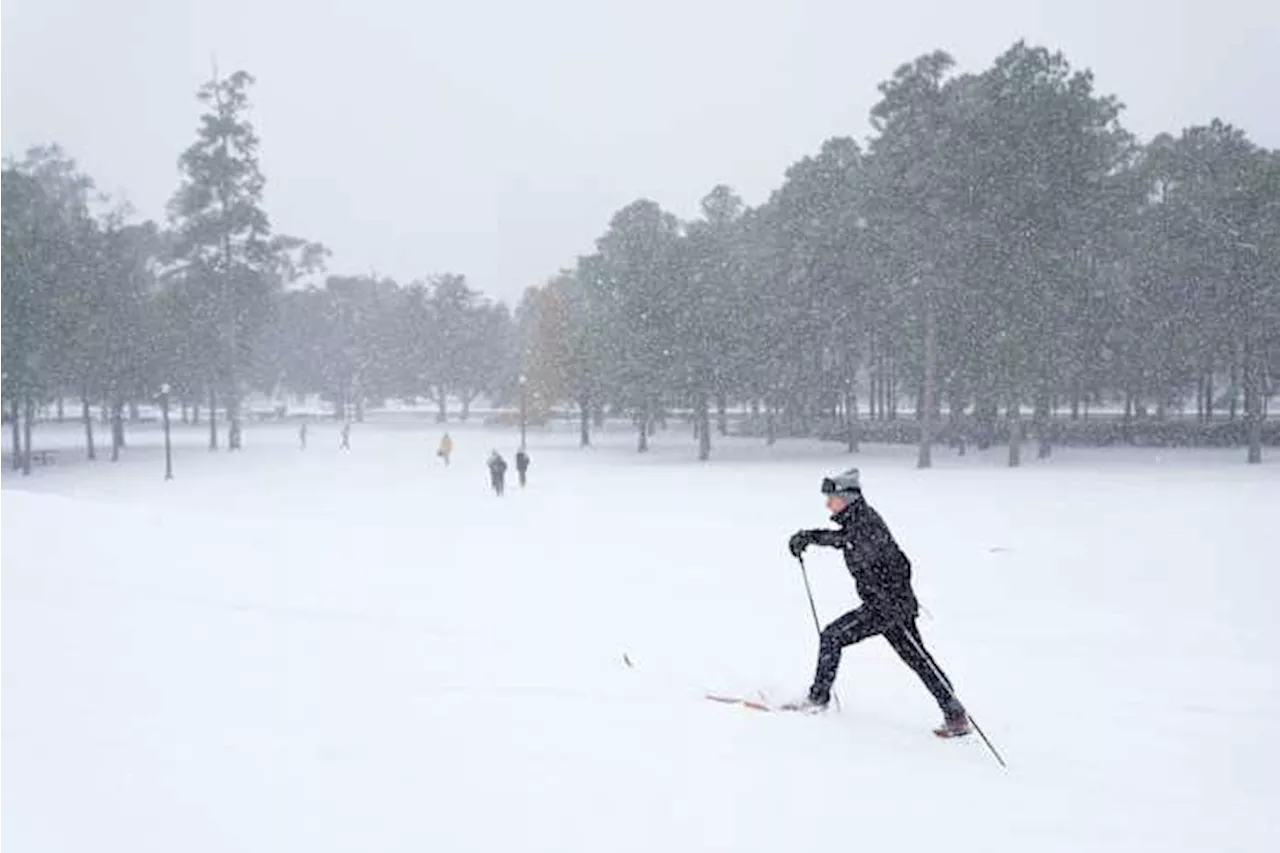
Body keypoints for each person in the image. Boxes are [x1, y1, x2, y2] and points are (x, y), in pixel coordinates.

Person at [786, 468, 971, 737]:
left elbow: (895, 561)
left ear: (847, 498)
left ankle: (817, 699)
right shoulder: (857, 520)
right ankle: (954, 713)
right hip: (886, 606)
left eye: (832, 498)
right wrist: (810, 537)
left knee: (833, 636)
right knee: (918, 659)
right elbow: (845, 541)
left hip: (887, 607)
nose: (828, 504)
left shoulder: (865, 524)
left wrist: (891, 597)